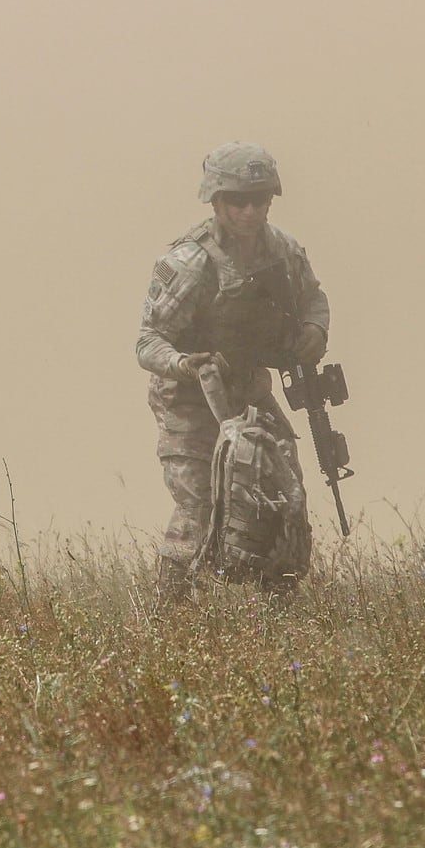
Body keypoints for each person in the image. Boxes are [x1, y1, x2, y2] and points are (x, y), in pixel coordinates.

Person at [136, 143, 329, 603]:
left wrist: (314, 330)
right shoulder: (191, 263)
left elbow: (313, 297)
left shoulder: (281, 251)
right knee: (201, 506)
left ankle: (280, 613)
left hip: (248, 392)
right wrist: (184, 364)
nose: (250, 211)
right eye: (238, 201)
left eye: (260, 200)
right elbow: (148, 341)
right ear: (216, 202)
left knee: (284, 498)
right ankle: (169, 615)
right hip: (189, 399)